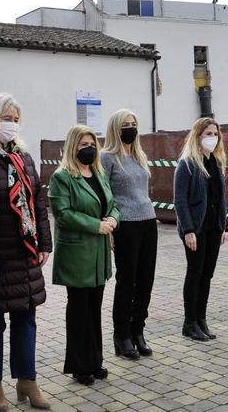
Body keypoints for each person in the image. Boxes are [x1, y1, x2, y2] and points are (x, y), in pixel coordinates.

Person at [0, 93, 52, 410]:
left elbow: (37, 202)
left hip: (24, 253)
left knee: (26, 320)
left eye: (16, 120)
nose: (12, 125)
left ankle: (27, 382)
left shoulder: (23, 157)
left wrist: (44, 242)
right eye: (7, 119)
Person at [49, 125, 120, 386]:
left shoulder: (99, 173)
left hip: (99, 255)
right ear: (72, 147)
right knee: (79, 311)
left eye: (91, 143)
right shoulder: (62, 177)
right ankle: (79, 366)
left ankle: (95, 361)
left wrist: (113, 218)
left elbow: (112, 204)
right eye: (82, 144)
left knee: (94, 310)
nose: (88, 148)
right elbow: (63, 213)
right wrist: (96, 225)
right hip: (77, 255)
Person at [100, 109, 157, 359]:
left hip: (148, 221)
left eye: (134, 123)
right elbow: (104, 195)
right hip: (125, 225)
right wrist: (109, 228)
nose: (131, 128)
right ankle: (121, 336)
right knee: (127, 281)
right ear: (115, 127)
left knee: (146, 280)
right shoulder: (107, 157)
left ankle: (138, 331)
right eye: (126, 124)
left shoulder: (139, 155)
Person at [173, 117, 228, 341]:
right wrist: (188, 230)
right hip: (196, 229)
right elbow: (180, 200)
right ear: (197, 137)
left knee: (207, 275)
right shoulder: (187, 164)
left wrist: (222, 226)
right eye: (208, 134)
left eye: (215, 134)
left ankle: (201, 319)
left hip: (213, 227)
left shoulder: (216, 162)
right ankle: (190, 322)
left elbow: (220, 198)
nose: (212, 138)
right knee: (195, 274)